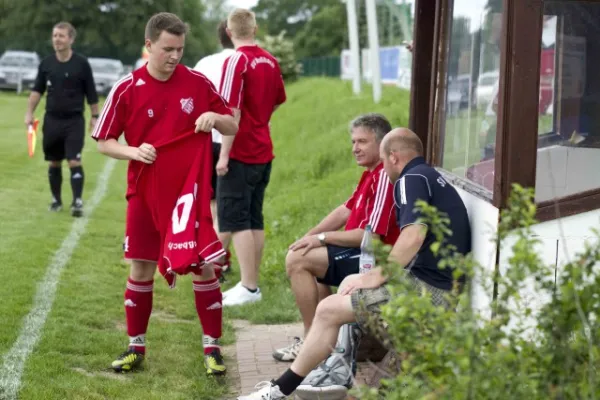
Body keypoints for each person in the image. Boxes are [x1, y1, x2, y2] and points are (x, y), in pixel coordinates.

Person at [237, 128, 472, 399]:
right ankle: (333, 369)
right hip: (437, 286)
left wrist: (376, 277)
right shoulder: (430, 176)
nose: (384, 167)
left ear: (394, 157)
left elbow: (413, 234)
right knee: (348, 285)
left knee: (328, 309)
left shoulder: (411, 179)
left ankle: (283, 389)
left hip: (430, 293)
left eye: (384, 160)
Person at [91, 12, 238, 376]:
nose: (174, 56)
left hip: (188, 196)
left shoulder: (198, 82)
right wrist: (133, 150)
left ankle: (213, 349)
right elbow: (104, 142)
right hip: (143, 193)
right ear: (149, 46)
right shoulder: (127, 87)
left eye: (180, 49)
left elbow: (233, 121)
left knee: (203, 265)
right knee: (141, 266)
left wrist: (212, 118)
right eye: (167, 49)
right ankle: (135, 347)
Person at [272, 113, 400, 363]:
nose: (355, 148)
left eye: (362, 142)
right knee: (305, 253)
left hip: (376, 259)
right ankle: (326, 340)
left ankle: (312, 341)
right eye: (353, 142)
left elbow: (371, 238)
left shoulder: (385, 176)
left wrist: (321, 238)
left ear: (382, 143)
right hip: (359, 252)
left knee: (299, 260)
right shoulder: (370, 174)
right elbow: (346, 209)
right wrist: (308, 237)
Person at [216, 8, 287, 306]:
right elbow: (278, 101)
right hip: (263, 148)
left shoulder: (236, 61)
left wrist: (223, 155)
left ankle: (249, 286)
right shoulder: (270, 60)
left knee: (236, 220)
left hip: (241, 151)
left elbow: (231, 113)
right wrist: (259, 122)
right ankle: (251, 283)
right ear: (255, 29)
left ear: (230, 33)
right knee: (254, 217)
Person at [24, 21, 99, 217]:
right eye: (55, 35)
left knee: (74, 160)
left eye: (61, 36)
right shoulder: (46, 64)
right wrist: (29, 113)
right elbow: (36, 91)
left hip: (74, 121)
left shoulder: (81, 64)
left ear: (71, 39)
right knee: (54, 162)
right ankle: (56, 200)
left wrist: (95, 117)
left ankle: (77, 201)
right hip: (52, 121)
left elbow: (91, 92)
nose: (57, 39)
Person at [193, 20, 236, 272]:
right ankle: (215, 260)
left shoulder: (204, 63)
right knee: (228, 207)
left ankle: (213, 255)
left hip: (205, 140)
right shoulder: (246, 62)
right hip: (234, 141)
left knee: (211, 204)